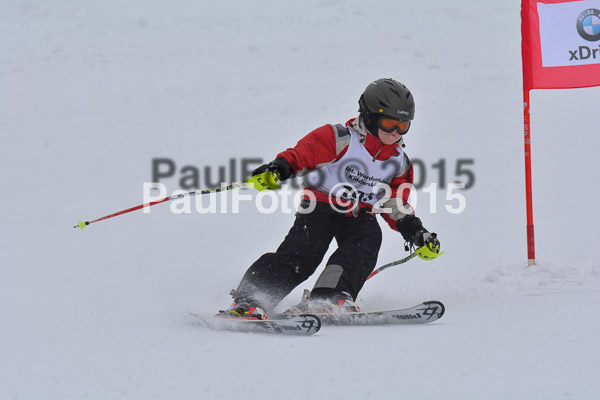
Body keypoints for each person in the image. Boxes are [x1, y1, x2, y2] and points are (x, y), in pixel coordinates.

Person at [223, 78, 441, 320]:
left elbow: (395, 203)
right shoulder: (340, 138)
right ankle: (252, 298)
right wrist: (278, 169)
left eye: (403, 126)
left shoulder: (399, 162)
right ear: (369, 117)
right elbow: (301, 155)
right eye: (389, 124)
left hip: (358, 213)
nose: (395, 133)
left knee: (367, 240)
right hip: (320, 206)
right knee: (304, 253)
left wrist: (415, 231)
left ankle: (329, 296)